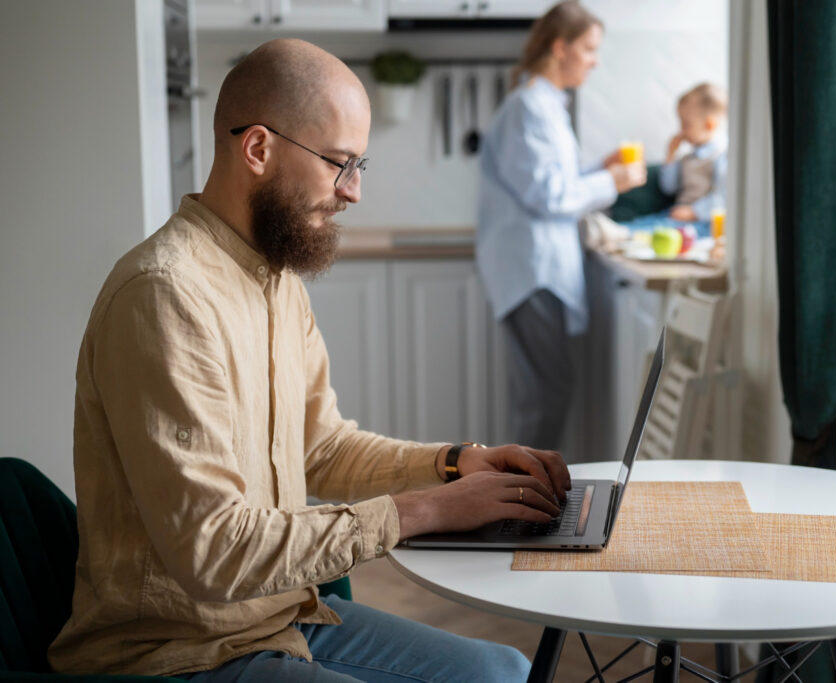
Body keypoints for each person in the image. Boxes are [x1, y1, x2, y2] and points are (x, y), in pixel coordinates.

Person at [47, 38, 573, 683]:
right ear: (259, 149)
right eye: (339, 164)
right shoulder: (165, 296)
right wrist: (425, 512)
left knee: (503, 671)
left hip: (276, 622)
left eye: (359, 165)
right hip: (174, 656)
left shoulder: (274, 278)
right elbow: (213, 552)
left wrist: (456, 465)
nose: (353, 192)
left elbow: (320, 448)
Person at [475, 0, 646, 454]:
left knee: (545, 392)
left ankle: (521, 505)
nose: (595, 60)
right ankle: (518, 510)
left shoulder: (543, 105)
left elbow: (550, 180)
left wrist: (598, 169)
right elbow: (548, 196)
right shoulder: (530, 107)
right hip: (532, 271)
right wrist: (614, 180)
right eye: (589, 49)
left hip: (536, 268)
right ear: (560, 47)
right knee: (544, 396)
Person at [658, 82, 728, 234]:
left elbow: (722, 197)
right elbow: (669, 188)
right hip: (677, 215)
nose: (681, 131)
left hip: (701, 221)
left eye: (686, 124)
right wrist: (671, 155)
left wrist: (694, 212)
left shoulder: (721, 156)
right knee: (644, 226)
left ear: (709, 124)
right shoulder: (687, 158)